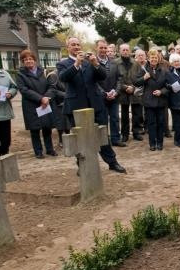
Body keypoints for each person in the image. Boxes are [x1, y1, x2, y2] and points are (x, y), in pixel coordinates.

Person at [57, 36, 126, 173]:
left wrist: (95, 63)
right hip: (76, 106)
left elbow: (102, 76)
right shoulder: (63, 64)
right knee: (79, 138)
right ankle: (82, 165)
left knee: (102, 135)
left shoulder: (89, 62)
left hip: (95, 104)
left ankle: (112, 162)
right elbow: (63, 78)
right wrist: (76, 64)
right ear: (68, 48)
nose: (76, 47)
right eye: (73, 45)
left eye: (78, 44)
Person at [16, 50, 56, 158]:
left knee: (47, 127)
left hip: (45, 103)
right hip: (31, 105)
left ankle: (49, 149)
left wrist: (46, 98)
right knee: (35, 129)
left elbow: (52, 86)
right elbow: (24, 90)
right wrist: (40, 98)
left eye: (30, 59)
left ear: (35, 60)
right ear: (23, 62)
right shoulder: (20, 74)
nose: (28, 61)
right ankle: (38, 151)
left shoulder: (43, 71)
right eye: (25, 60)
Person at [137, 49, 169, 151]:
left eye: (155, 57)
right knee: (151, 123)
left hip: (161, 101)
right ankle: (152, 143)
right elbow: (136, 82)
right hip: (149, 101)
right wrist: (143, 78)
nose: (154, 59)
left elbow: (168, 86)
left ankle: (160, 143)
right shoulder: (143, 70)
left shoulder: (164, 70)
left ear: (158, 58)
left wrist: (162, 91)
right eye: (152, 58)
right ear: (148, 59)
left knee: (160, 122)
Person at [95, 39, 124, 147]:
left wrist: (115, 92)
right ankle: (104, 141)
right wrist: (104, 93)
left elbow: (119, 79)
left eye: (105, 47)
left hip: (114, 97)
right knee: (102, 120)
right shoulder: (93, 63)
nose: (103, 50)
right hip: (100, 97)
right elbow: (93, 82)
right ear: (96, 48)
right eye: (101, 47)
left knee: (115, 118)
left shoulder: (114, 62)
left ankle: (116, 139)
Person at [117, 44, 144, 142]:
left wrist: (132, 87)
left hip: (134, 92)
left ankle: (136, 132)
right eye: (123, 50)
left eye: (127, 50)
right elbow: (115, 79)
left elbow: (140, 77)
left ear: (129, 51)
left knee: (136, 113)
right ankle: (125, 134)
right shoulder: (116, 63)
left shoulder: (136, 63)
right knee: (124, 115)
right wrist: (125, 87)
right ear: (120, 51)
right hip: (122, 92)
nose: (125, 51)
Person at [166, 53, 180, 147]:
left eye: (178, 61)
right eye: (174, 61)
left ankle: (177, 138)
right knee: (177, 121)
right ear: (171, 63)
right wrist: (169, 86)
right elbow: (166, 83)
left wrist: (172, 86)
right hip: (173, 100)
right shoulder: (168, 72)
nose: (176, 63)